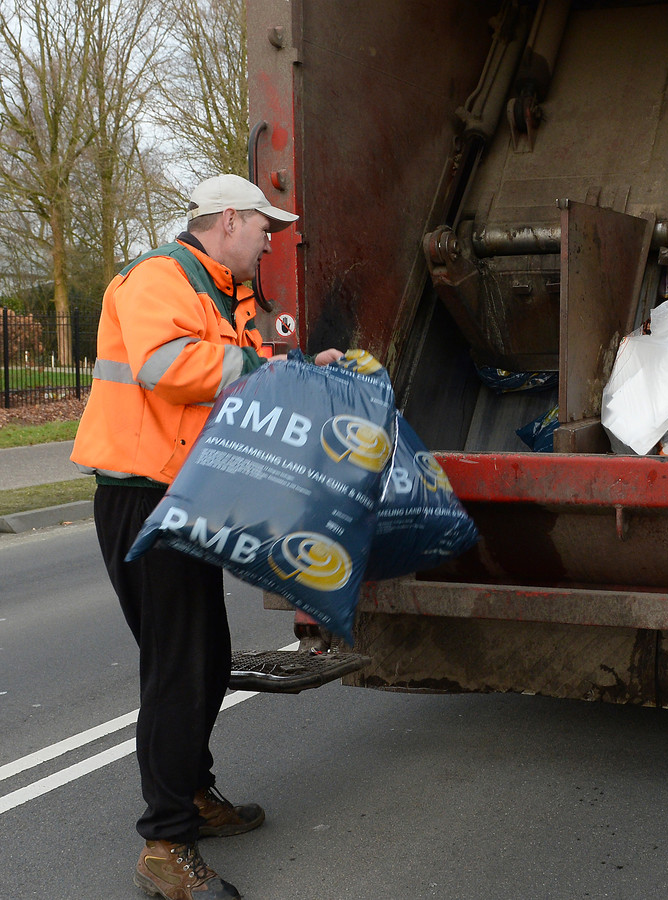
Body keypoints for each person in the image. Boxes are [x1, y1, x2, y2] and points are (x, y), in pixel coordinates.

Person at [72, 174, 342, 900]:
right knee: (177, 668)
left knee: (205, 659)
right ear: (228, 220)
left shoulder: (227, 294)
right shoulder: (158, 278)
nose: (270, 242)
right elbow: (168, 368)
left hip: (188, 498)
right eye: (263, 228)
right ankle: (165, 845)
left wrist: (303, 373)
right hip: (144, 499)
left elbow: (248, 380)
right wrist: (267, 366)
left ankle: (192, 793)